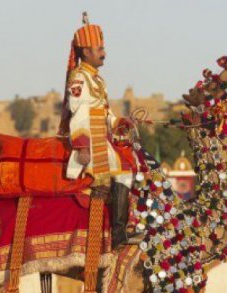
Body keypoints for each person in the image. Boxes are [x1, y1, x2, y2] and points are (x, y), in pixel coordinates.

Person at [58, 13, 137, 248]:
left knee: (131, 165)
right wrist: (82, 146)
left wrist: (120, 122)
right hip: (91, 140)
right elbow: (79, 112)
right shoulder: (80, 78)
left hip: (102, 137)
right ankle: (118, 235)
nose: (104, 52)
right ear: (85, 53)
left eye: (103, 48)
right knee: (123, 172)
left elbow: (105, 113)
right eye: (99, 48)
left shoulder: (97, 80)